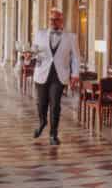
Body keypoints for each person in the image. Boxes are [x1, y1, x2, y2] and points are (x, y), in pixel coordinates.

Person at [32, 8, 81, 146]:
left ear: (62, 21)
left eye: (56, 19)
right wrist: (29, 56)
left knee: (55, 105)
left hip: (59, 75)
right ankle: (42, 122)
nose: (53, 22)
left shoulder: (71, 37)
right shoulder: (40, 34)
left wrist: (75, 74)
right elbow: (34, 52)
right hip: (42, 73)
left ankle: (53, 134)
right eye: (51, 19)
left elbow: (76, 58)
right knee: (41, 103)